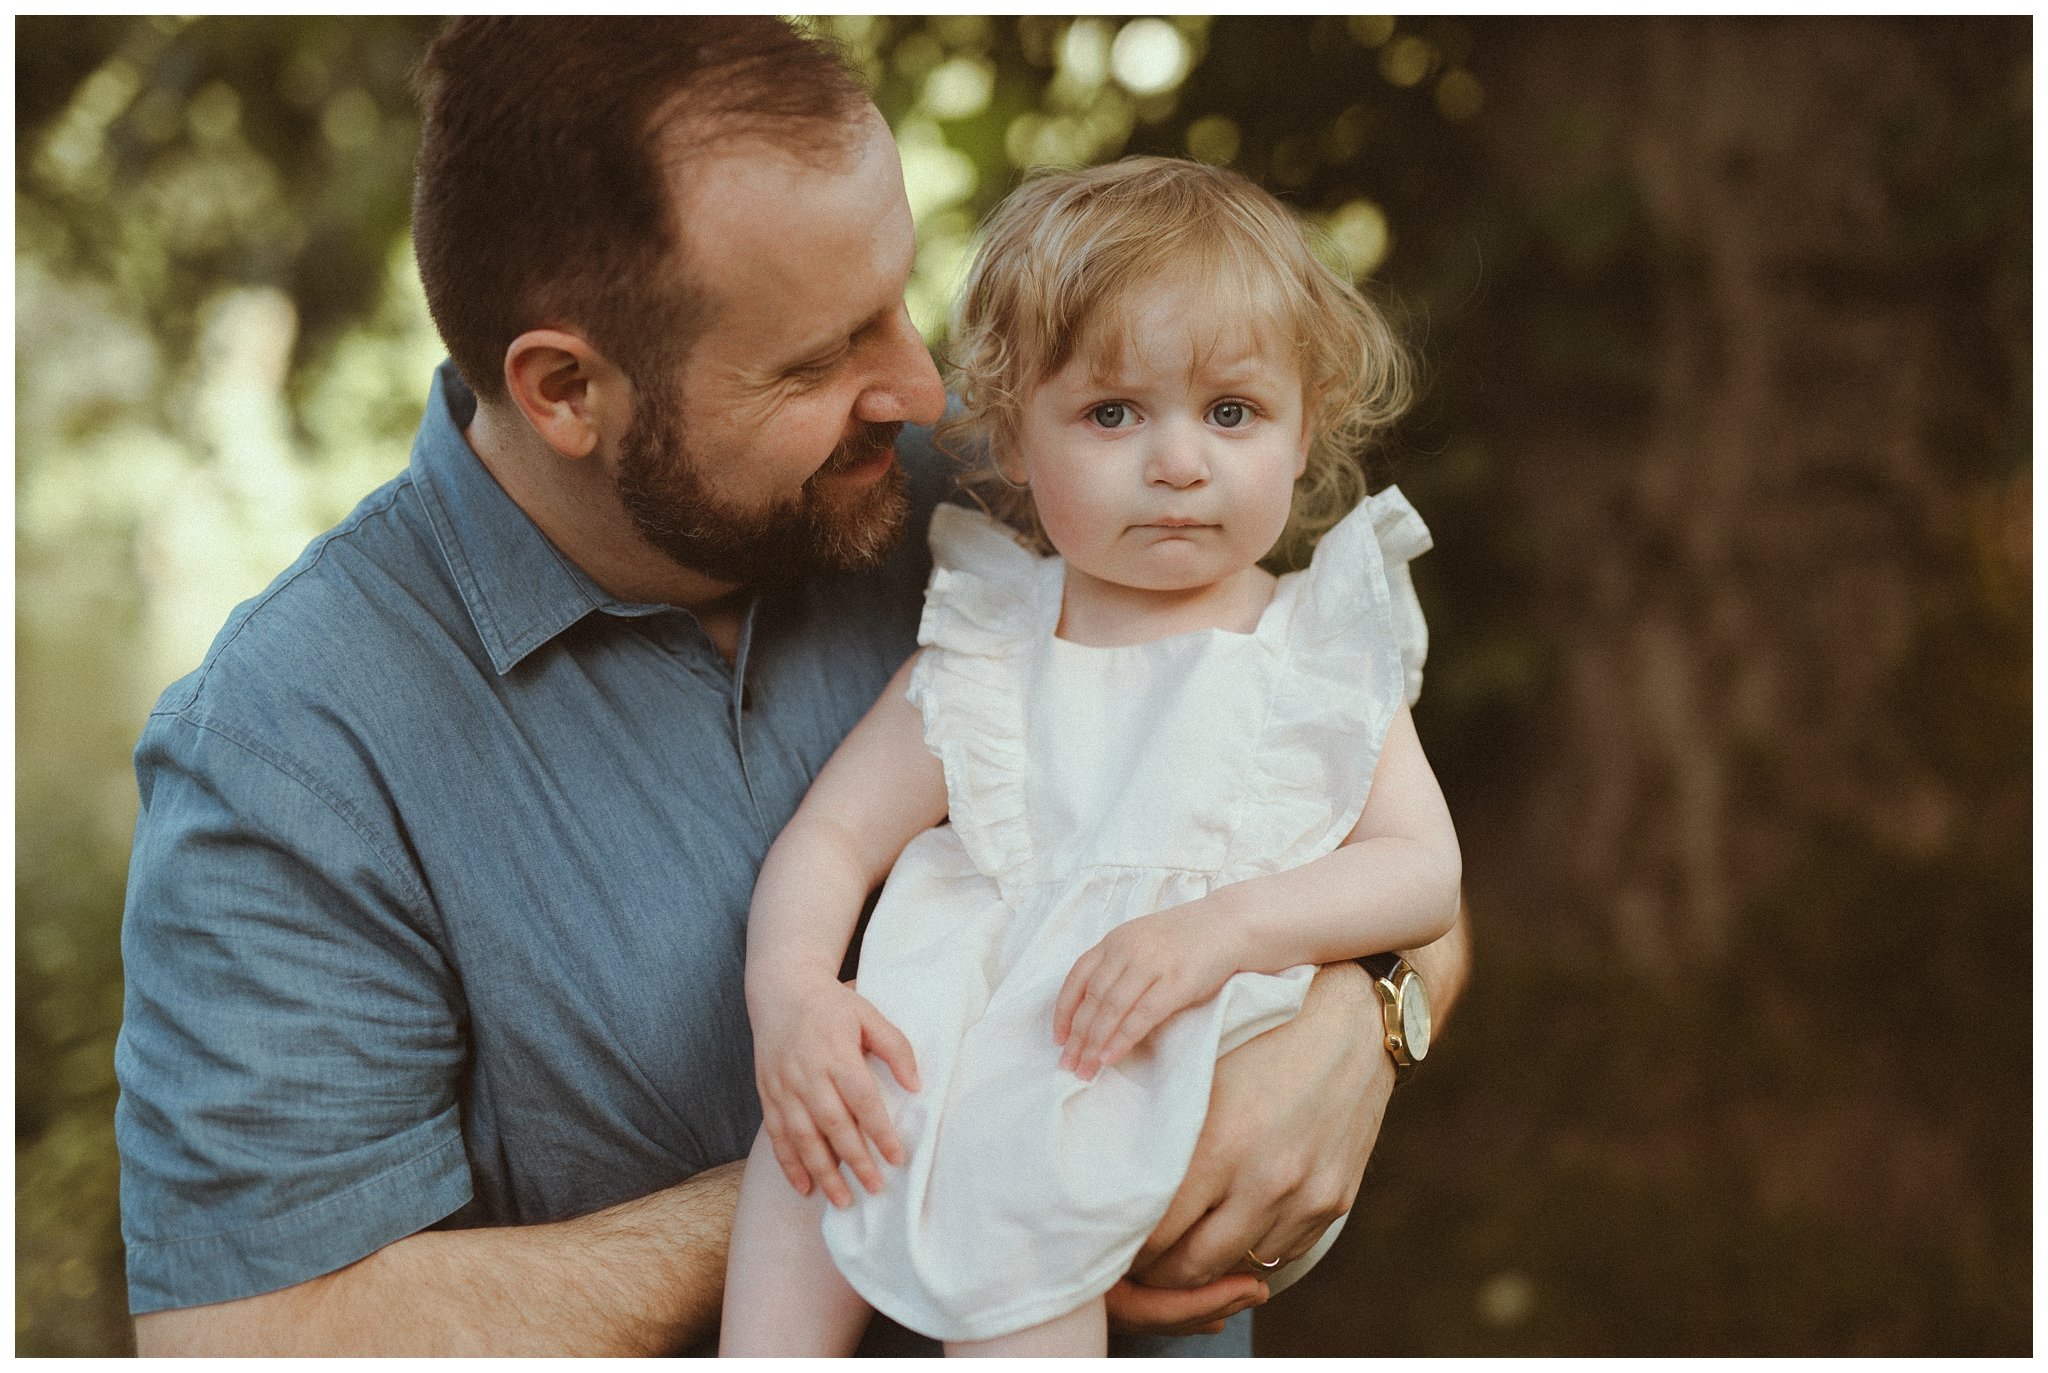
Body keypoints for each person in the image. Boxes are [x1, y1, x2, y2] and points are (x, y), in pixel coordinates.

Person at [115, 17, 1470, 1357]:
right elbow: (247, 1336)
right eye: (819, 359)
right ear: (566, 390)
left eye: (900, 299)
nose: (926, 391)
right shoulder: (292, 740)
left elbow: (1367, 840)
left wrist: (1362, 1023)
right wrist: (923, 1160)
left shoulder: (1019, 520)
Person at [718, 158, 1459, 1357]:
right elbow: (835, 833)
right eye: (1113, 414)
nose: (1177, 462)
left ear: (1303, 425)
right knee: (817, 1128)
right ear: (1015, 436)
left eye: (1230, 413)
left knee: (1036, 1194)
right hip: (957, 1014)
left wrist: (1222, 929)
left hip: (1126, 1041)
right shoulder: (989, 638)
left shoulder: (1309, 653)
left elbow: (1419, 869)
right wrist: (794, 993)